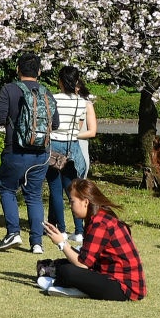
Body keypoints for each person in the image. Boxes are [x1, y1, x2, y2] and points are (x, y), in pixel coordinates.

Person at [39, 179, 145, 301]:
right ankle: (69, 284)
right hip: (108, 275)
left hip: (124, 287)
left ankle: (71, 287)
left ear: (85, 202)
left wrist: (61, 243)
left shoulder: (100, 223)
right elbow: (87, 257)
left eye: (72, 201)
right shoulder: (98, 218)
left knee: (67, 271)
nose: (70, 206)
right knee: (61, 264)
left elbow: (82, 264)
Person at [0, 54, 53, 254]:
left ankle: (13, 232)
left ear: (18, 69)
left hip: (14, 151)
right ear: (39, 71)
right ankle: (37, 243)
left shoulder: (9, 89)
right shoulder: (46, 92)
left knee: (7, 190)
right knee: (34, 196)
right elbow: (57, 123)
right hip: (41, 153)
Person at [49, 64, 99, 241]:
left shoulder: (53, 99)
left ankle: (61, 230)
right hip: (72, 146)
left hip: (54, 145)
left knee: (55, 189)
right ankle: (79, 231)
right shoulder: (81, 102)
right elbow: (78, 126)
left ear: (60, 81)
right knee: (74, 189)